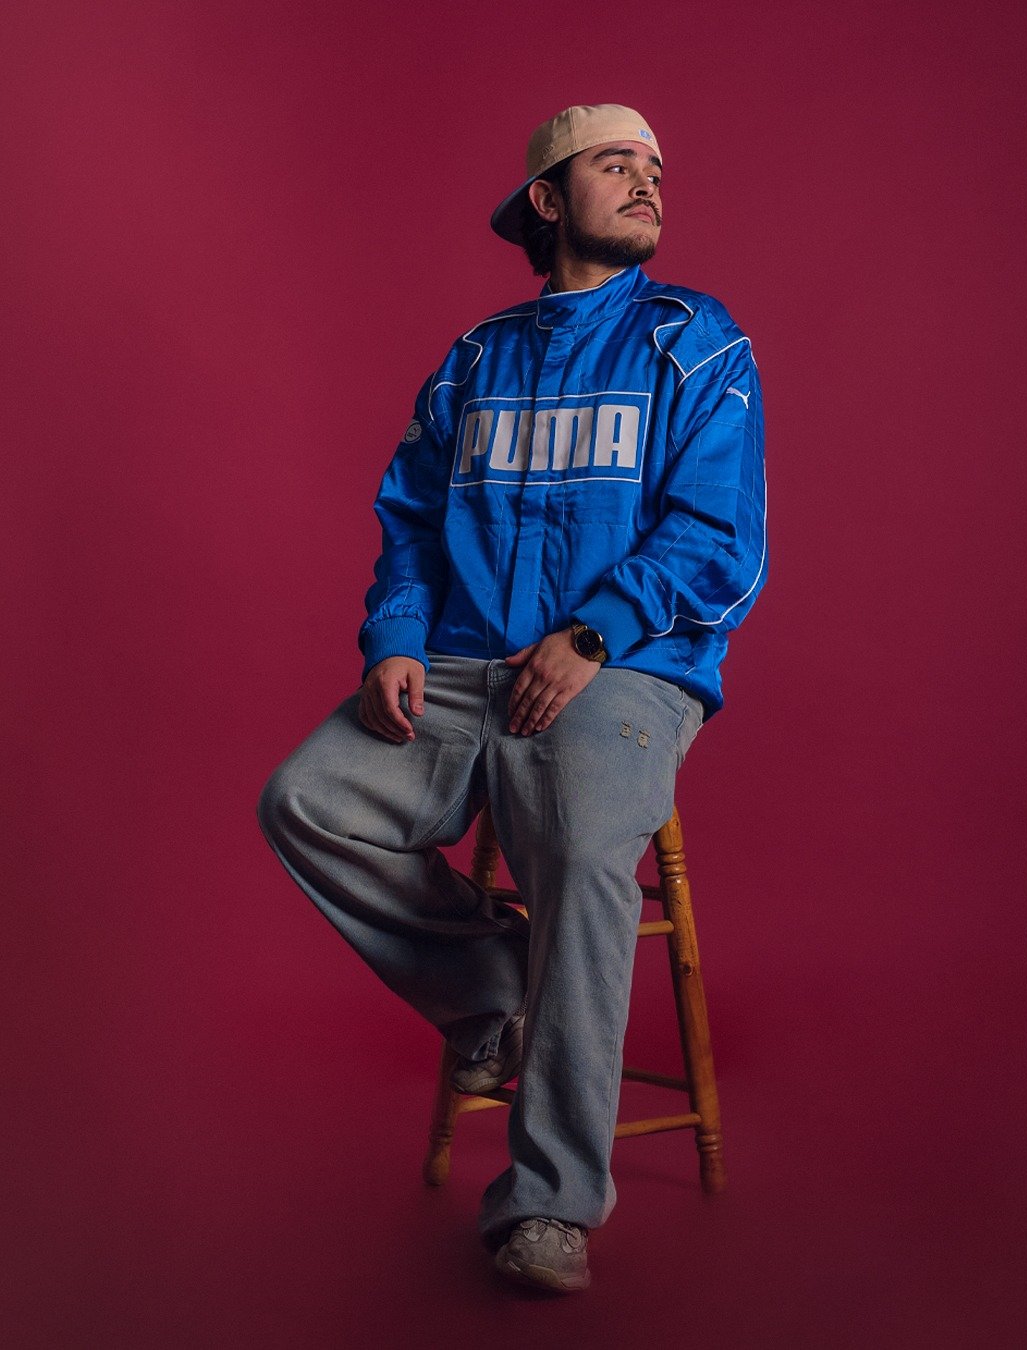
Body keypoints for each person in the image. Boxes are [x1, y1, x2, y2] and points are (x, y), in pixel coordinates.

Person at [258, 103, 767, 1294]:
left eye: (655, 167)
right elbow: (410, 517)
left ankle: (550, 1203)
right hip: (459, 666)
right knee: (306, 800)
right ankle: (496, 990)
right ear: (547, 199)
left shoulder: (695, 340)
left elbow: (720, 538)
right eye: (614, 165)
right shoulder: (477, 357)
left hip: (624, 666)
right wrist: (396, 635)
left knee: (582, 850)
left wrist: (592, 635)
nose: (647, 182)